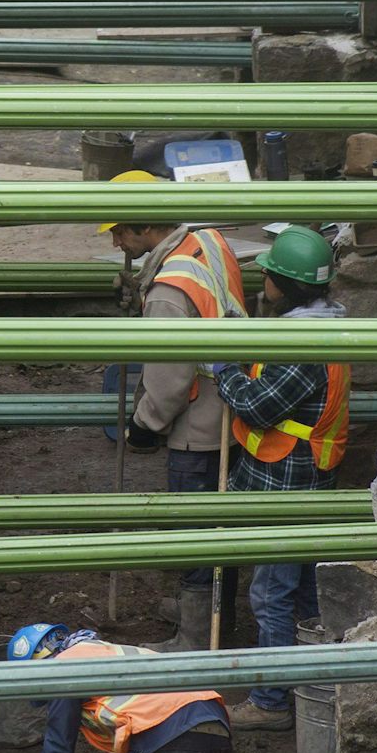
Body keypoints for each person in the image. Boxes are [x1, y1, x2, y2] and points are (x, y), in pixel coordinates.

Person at [204, 225, 349, 731]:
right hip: (301, 472)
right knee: (305, 591)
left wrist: (223, 369)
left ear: (285, 285)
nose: (260, 282)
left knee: (272, 592)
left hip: (286, 480)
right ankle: (310, 683)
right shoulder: (322, 323)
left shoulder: (299, 341)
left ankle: (270, 702)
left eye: (267, 276)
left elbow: (256, 405)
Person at [101, 171, 247, 652]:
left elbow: (168, 376)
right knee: (220, 524)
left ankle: (195, 636)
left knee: (196, 530)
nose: (117, 240)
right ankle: (212, 617)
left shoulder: (170, 290)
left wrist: (143, 425)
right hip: (234, 405)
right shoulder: (209, 240)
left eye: (120, 230)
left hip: (197, 423)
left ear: (145, 228)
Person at [9, 622, 232, 753]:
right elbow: (133, 730)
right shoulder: (105, 651)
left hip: (171, 738)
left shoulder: (61, 670)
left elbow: (58, 744)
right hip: (214, 728)